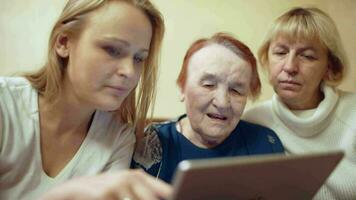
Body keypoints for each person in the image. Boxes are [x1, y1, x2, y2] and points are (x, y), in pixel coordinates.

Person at [0, 0, 172, 199]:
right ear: (63, 43)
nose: (130, 72)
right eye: (112, 50)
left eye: (139, 58)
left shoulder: (119, 138)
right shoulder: (5, 105)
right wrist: (65, 195)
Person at [132, 33, 285, 183]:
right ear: (182, 88)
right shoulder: (151, 144)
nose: (222, 103)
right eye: (208, 85)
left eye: (236, 91)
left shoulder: (265, 144)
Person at [243, 7, 356, 200]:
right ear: (266, 59)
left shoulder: (352, 112)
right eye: (280, 52)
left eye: (307, 56)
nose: (289, 67)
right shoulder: (252, 122)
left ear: (329, 67)